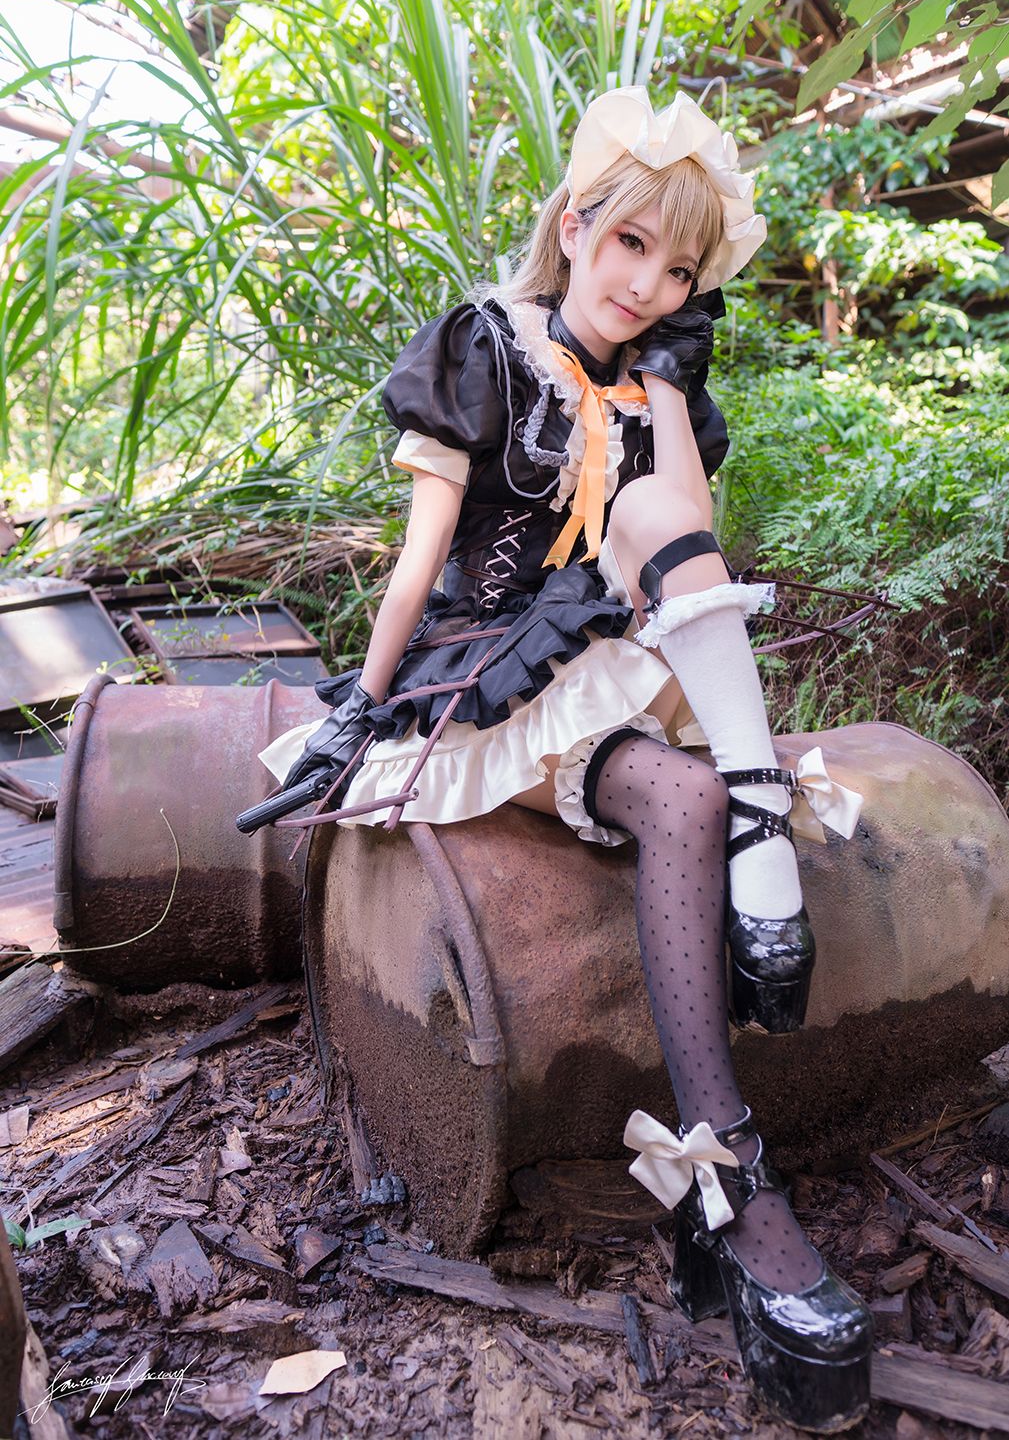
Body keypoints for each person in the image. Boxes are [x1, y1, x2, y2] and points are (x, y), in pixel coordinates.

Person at [241, 85, 872, 1430]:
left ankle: (757, 824)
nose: (647, 285)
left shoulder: (658, 382)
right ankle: (728, 1179)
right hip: (490, 673)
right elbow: (421, 555)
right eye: (630, 244)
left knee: (651, 516)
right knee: (681, 794)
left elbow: (682, 541)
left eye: (680, 269)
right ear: (575, 225)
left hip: (624, 653)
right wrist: (361, 707)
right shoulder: (487, 343)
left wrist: (665, 396)